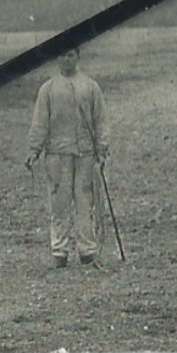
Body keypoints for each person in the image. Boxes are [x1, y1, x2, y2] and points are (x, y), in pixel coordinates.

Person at [25, 47, 108, 268]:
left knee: (85, 202)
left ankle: (87, 250)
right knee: (59, 204)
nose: (66, 59)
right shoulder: (48, 89)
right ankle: (59, 251)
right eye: (62, 54)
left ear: (78, 57)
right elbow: (40, 122)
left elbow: (100, 120)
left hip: (85, 154)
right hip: (57, 154)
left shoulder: (90, 87)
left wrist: (102, 149)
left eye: (70, 54)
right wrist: (34, 150)